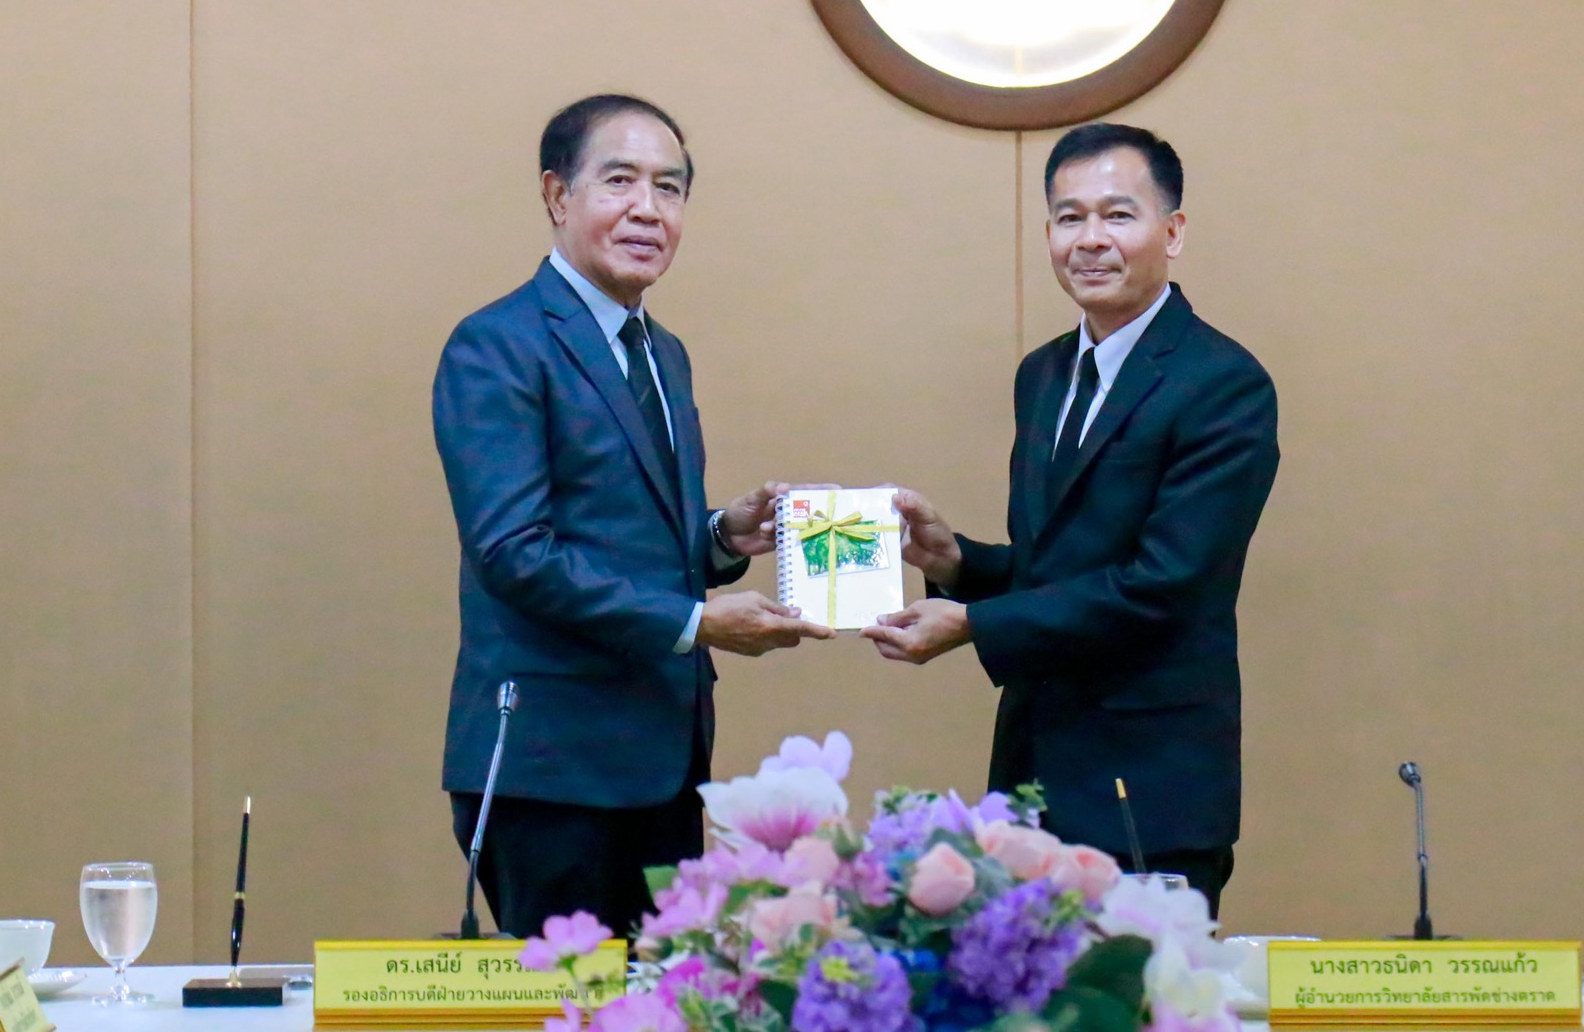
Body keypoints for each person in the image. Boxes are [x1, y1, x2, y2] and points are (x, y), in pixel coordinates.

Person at [434, 94, 834, 937]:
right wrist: (696, 621)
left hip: (665, 757)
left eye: (670, 187)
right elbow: (515, 550)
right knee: (570, 1000)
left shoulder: (662, 351)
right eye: (620, 181)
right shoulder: (498, 344)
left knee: (662, 995)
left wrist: (720, 535)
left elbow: (622, 531)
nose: (648, 208)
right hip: (552, 767)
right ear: (557, 195)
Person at [865, 121, 1279, 917]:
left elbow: (1163, 585)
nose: (1090, 239)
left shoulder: (1223, 383)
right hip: (1032, 779)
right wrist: (958, 563)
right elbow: (1060, 567)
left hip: (1149, 788)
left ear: (1172, 231)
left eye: (1118, 214)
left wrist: (973, 623)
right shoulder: (1044, 373)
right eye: (1068, 217)